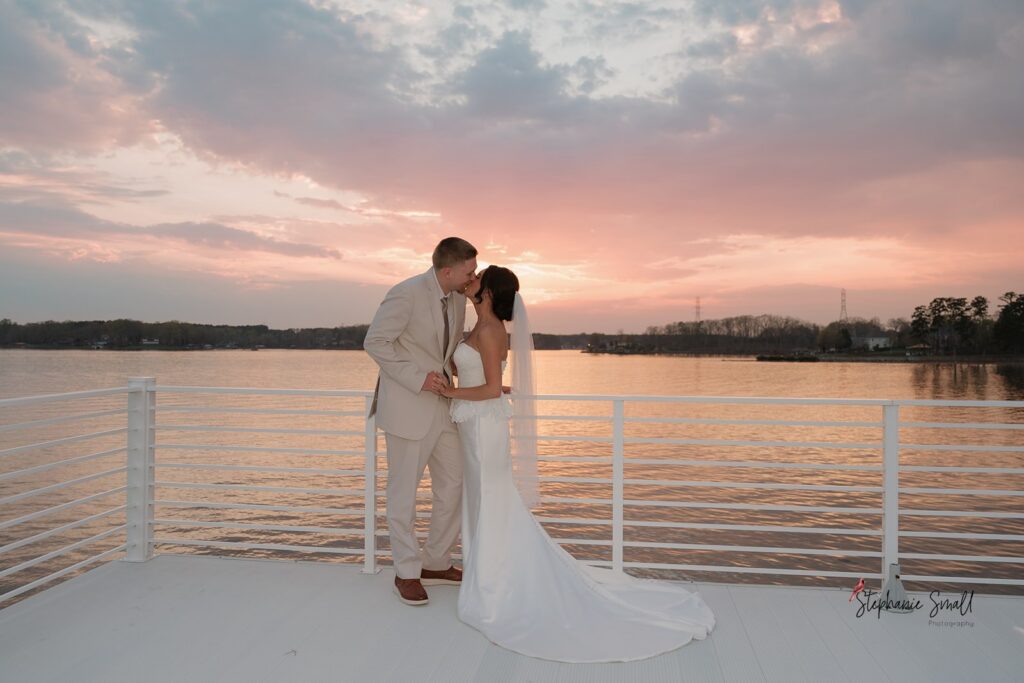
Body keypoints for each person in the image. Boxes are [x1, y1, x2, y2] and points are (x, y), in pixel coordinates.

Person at [440, 265, 716, 662]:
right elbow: (490, 380)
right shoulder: (478, 327)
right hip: (476, 426)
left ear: (489, 290)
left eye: (478, 276)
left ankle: (494, 586)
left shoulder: (490, 330)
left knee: (491, 498)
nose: (472, 278)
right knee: (484, 500)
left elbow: (484, 388)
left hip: (484, 431)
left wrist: (448, 391)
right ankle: (489, 575)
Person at [363, 237, 478, 606]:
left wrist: (482, 380)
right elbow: (376, 342)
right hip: (409, 406)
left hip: (445, 408)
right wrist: (418, 378)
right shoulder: (406, 293)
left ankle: (436, 562)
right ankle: (407, 572)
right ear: (448, 270)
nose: (471, 277)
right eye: (468, 271)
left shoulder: (459, 299)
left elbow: (446, 351)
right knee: (403, 495)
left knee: (455, 483)